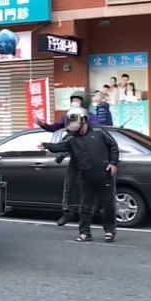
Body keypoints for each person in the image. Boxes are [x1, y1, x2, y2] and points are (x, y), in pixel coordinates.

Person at [40, 107, 119, 242]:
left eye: (76, 122)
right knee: (85, 206)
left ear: (84, 120)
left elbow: (113, 146)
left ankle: (109, 231)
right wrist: (46, 145)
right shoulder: (72, 139)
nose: (74, 126)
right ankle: (84, 233)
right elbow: (60, 146)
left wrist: (113, 163)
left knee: (108, 205)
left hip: (104, 174)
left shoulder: (99, 133)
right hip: (85, 176)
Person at [34, 90, 100, 226]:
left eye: (78, 100)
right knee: (69, 185)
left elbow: (96, 132)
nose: (74, 102)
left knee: (87, 186)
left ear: (84, 102)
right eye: (73, 100)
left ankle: (89, 212)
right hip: (74, 156)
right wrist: (42, 124)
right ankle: (67, 212)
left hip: (88, 156)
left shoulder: (91, 117)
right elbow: (55, 127)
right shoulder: (68, 116)